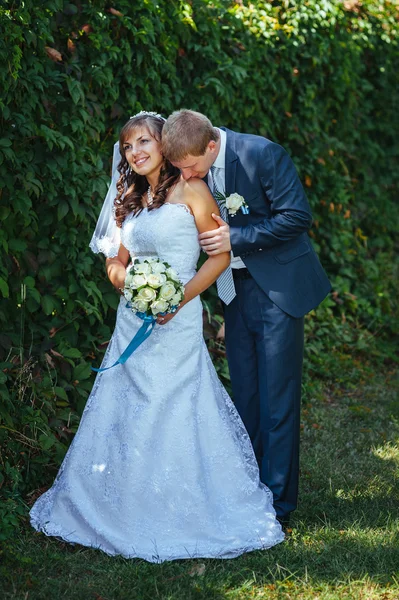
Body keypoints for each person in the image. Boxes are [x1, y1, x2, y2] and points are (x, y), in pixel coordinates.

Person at [30, 111, 284, 562]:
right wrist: (134, 288)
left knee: (175, 405)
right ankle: (119, 504)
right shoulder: (128, 197)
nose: (136, 152)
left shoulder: (192, 190)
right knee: (125, 405)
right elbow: (115, 263)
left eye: (144, 142)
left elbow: (219, 257)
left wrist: (175, 297)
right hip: (133, 320)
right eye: (128, 147)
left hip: (179, 319)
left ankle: (182, 506)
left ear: (163, 145)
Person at [162, 109, 331, 527]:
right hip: (233, 293)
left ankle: (277, 506)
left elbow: (296, 216)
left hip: (277, 290)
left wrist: (236, 237)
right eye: (179, 169)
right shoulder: (191, 168)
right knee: (247, 395)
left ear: (212, 146)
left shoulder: (261, 153)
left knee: (277, 398)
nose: (186, 177)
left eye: (191, 168)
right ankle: (248, 488)